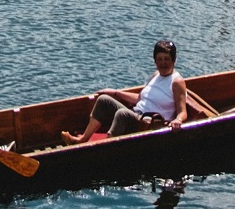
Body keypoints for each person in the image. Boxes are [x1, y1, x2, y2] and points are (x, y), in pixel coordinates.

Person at [73, 39, 202, 139]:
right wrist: (116, 92)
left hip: (149, 124)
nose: (163, 63)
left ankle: (106, 146)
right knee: (104, 100)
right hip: (137, 114)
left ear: (174, 60)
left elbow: (182, 112)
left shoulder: (176, 81)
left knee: (122, 114)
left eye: (167, 59)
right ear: (155, 61)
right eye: (159, 59)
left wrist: (178, 120)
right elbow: (139, 98)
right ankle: (83, 139)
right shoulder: (155, 75)